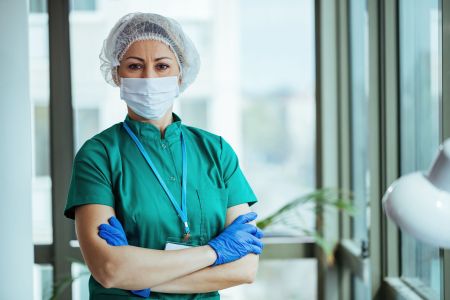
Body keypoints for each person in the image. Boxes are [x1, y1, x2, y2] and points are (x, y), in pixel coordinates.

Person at [64, 12, 263, 299]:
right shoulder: (98, 155)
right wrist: (215, 252)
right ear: (117, 73)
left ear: (181, 72)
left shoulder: (216, 151)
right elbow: (109, 270)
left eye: (162, 65)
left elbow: (243, 269)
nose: (149, 77)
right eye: (134, 66)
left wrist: (138, 276)